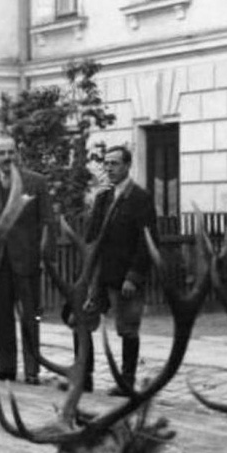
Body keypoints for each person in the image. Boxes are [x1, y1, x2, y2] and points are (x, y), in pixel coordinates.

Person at [0, 134, 56, 385]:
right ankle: (4, 367)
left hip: (27, 260)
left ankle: (32, 370)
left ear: (18, 155)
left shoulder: (36, 182)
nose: (7, 157)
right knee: (0, 319)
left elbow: (48, 221)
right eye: (2, 153)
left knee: (30, 317)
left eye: (11, 152)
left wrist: (45, 257)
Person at [84, 145, 158, 397]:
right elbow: (92, 237)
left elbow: (147, 242)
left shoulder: (140, 198)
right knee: (81, 320)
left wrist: (134, 277)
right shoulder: (103, 198)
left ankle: (126, 382)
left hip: (124, 277)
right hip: (100, 275)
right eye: (106, 164)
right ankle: (84, 376)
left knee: (127, 329)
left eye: (114, 163)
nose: (109, 168)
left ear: (127, 166)